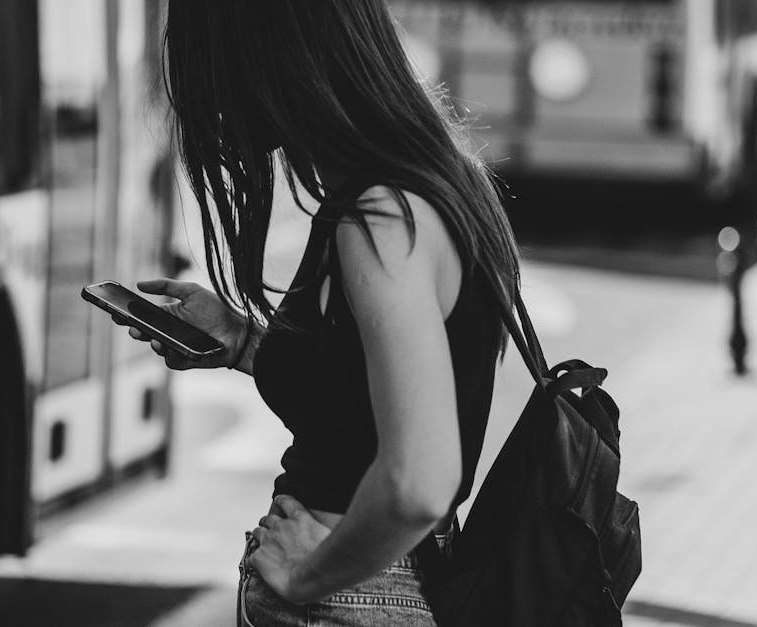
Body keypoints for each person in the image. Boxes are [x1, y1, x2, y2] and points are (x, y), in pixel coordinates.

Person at [115, 1, 521, 624]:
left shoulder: (381, 216)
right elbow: (362, 404)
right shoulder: (429, 185)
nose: (211, 108)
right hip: (372, 588)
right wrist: (244, 341)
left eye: (211, 73)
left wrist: (307, 578)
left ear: (267, 65)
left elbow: (419, 482)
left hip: (351, 597)